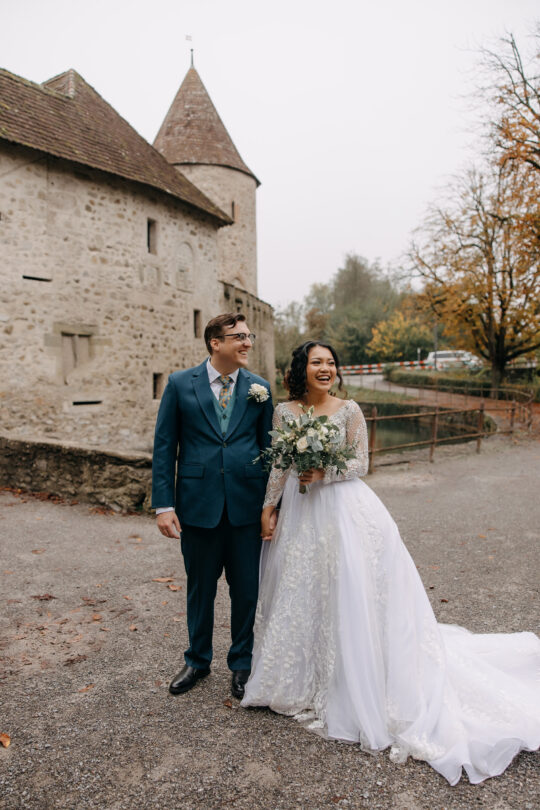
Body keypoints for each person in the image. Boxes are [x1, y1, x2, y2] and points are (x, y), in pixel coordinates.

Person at [242, 340, 540, 785]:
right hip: (301, 511)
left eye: (331, 363)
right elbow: (280, 465)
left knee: (349, 589)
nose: (325, 369)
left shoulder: (350, 410)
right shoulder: (285, 412)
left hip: (343, 508)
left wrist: (325, 472)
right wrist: (269, 506)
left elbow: (361, 463)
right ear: (301, 368)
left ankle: (352, 680)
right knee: (302, 587)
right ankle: (298, 679)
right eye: (316, 362)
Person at [152, 313, 273, 699]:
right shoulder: (179, 384)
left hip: (246, 506)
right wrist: (163, 505)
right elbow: (164, 447)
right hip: (197, 505)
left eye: (249, 336)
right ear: (215, 342)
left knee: (246, 591)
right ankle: (197, 660)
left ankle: (242, 663)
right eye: (239, 337)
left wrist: (271, 506)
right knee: (200, 589)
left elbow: (268, 450)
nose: (247, 343)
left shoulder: (260, 388)